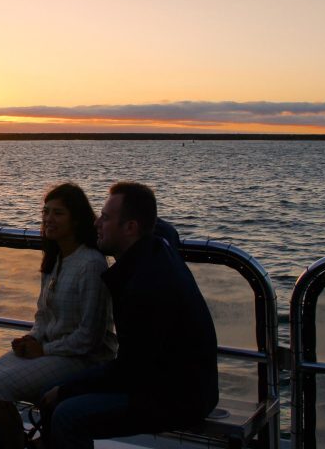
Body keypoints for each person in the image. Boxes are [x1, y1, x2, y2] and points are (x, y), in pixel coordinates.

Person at [41, 181, 219, 448]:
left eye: (105, 218)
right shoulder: (158, 245)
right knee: (64, 396)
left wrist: (64, 390)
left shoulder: (144, 287)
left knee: (66, 414)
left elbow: (130, 371)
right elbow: (165, 228)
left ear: (131, 227)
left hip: (176, 396)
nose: (96, 224)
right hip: (178, 381)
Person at [0, 182, 118, 449]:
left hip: (82, 359)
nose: (48, 219)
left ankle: (17, 445)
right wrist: (31, 339)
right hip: (51, 350)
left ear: (77, 219)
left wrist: (43, 350)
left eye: (58, 213)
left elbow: (89, 338)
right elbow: (43, 315)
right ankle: (19, 442)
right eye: (46, 212)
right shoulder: (56, 259)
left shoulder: (91, 264)